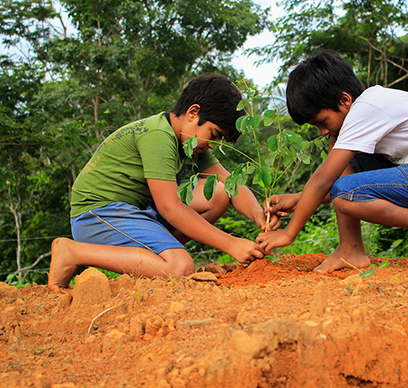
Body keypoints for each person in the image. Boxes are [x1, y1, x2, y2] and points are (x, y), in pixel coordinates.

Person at [257, 50, 408, 275]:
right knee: (337, 150)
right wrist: (297, 199)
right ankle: (350, 248)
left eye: (322, 121)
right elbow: (334, 180)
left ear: (344, 100)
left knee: (343, 191)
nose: (323, 131)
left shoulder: (367, 110)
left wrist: (289, 233)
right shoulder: (365, 107)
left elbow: (324, 180)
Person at [48, 74, 276, 291]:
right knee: (181, 268)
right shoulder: (158, 135)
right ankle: (73, 252)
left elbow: (230, 184)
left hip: (137, 212)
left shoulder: (193, 144)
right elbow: (169, 206)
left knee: (216, 194)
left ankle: (157, 259)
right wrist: (230, 243)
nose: (214, 145)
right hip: (98, 214)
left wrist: (257, 213)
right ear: (193, 113)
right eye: (214, 134)